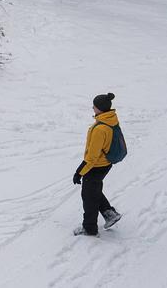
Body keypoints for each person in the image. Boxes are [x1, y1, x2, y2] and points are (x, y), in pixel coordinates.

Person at [73, 92, 122, 236]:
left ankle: (89, 228)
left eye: (94, 106)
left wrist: (79, 172)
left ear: (100, 108)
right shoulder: (111, 119)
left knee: (89, 197)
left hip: (96, 166)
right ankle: (109, 214)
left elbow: (92, 157)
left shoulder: (100, 129)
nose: (93, 108)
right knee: (93, 190)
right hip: (106, 164)